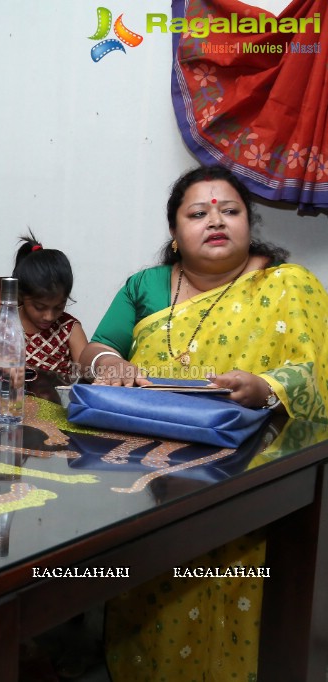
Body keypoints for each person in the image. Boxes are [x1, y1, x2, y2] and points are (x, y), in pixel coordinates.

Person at [81, 165, 328, 680]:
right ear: (174, 234)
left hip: (255, 473)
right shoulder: (145, 285)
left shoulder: (289, 284)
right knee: (157, 577)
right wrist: (109, 364)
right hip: (149, 472)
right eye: (198, 213)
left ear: (249, 223)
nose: (215, 220)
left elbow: (315, 371)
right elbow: (99, 347)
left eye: (230, 211)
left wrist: (265, 387)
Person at [10, 234, 87, 376]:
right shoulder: (4, 327)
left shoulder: (70, 329)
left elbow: (87, 377)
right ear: (21, 295)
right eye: (40, 307)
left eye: (59, 307)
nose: (49, 316)